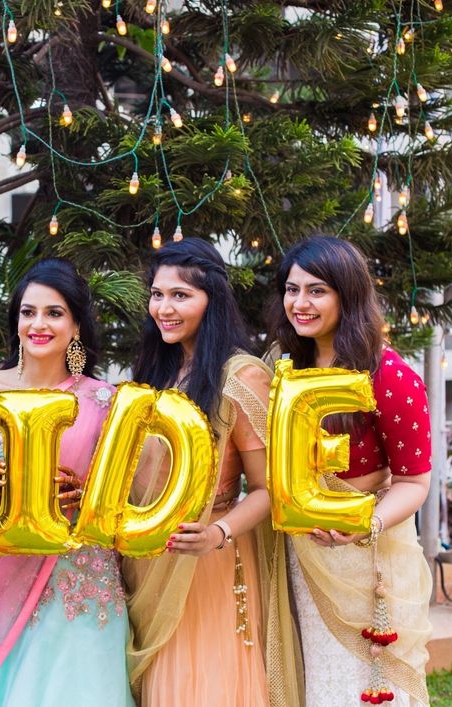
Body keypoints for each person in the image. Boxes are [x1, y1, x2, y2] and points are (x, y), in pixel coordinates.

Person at [0, 258, 134, 707]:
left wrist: (88, 495)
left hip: (80, 581)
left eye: (54, 312)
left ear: (77, 326)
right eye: (28, 312)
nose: (38, 324)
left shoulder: (104, 402)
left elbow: (122, 494)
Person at [122, 239, 302, 706]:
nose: (164, 307)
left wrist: (216, 534)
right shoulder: (155, 372)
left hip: (212, 560)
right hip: (149, 558)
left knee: (203, 685)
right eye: (158, 294)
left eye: (181, 295)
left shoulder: (239, 377)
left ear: (213, 300)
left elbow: (269, 490)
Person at [267, 236, 432, 706]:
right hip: (304, 558)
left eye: (317, 290)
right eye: (292, 289)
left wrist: (363, 524)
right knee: (320, 679)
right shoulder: (285, 367)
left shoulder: (388, 375)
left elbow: (414, 482)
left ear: (348, 294)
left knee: (367, 681)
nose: (300, 303)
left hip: (367, 560)